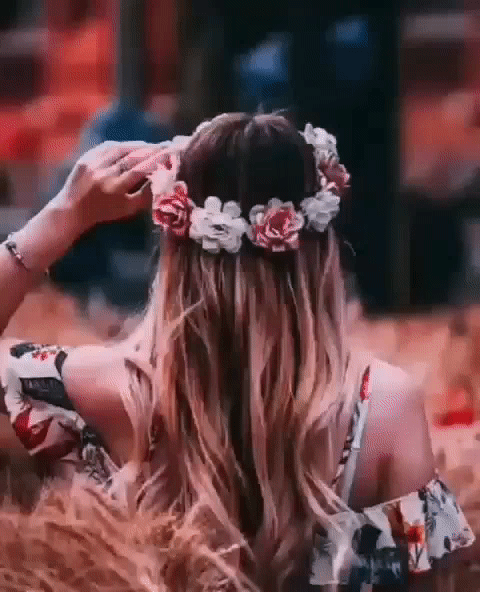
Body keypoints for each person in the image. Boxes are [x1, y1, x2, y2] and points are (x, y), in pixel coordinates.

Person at [0, 114, 474, 592]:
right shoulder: (384, 408)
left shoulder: (97, 389)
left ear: (173, 244)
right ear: (320, 252)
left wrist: (62, 217)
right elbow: (433, 584)